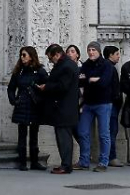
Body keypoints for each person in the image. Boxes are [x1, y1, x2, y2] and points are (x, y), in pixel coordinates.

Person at [37, 44, 80, 174]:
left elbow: (62, 86)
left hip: (63, 108)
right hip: (63, 107)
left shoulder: (66, 66)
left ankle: (66, 165)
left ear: (57, 54)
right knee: (63, 136)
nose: (51, 61)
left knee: (64, 137)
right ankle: (65, 164)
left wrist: (46, 87)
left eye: (51, 58)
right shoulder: (66, 64)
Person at [74, 41, 114, 172]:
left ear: (98, 51)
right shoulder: (86, 64)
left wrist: (91, 79)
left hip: (103, 103)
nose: (91, 52)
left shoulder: (107, 64)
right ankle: (84, 160)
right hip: (88, 103)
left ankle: (103, 162)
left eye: (93, 50)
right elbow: (81, 80)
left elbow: (105, 82)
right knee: (82, 131)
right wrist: (92, 79)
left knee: (104, 134)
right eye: (89, 50)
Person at [7, 46, 49, 171]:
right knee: (22, 134)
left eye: (24, 55)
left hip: (35, 104)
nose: (22, 57)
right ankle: (22, 162)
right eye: (21, 55)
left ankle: (35, 161)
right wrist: (13, 100)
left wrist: (41, 92)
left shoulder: (39, 71)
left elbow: (47, 85)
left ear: (31, 56)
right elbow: (11, 88)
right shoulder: (19, 71)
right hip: (22, 104)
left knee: (34, 134)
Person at [103, 46, 124, 167]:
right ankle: (111, 156)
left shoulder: (109, 67)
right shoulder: (110, 68)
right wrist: (116, 99)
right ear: (110, 55)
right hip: (111, 104)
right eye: (116, 54)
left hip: (111, 103)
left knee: (110, 131)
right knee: (111, 131)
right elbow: (114, 88)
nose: (118, 56)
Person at [66, 45, 83, 146]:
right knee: (73, 127)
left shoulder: (83, 68)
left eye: (72, 51)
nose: (69, 54)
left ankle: (85, 154)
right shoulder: (65, 68)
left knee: (80, 128)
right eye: (68, 52)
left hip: (81, 102)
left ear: (77, 54)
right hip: (70, 103)